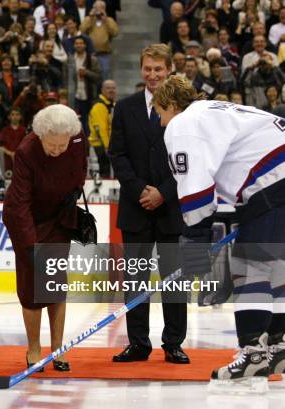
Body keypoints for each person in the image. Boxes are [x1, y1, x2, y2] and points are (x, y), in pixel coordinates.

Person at [152, 75, 285, 390]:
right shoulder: (216, 109)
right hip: (277, 181)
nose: (160, 122)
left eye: (159, 113)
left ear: (171, 105)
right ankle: (278, 347)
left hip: (275, 183)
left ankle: (253, 353)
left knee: (248, 266)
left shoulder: (183, 123)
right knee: (278, 267)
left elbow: (196, 186)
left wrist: (195, 238)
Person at [108, 44, 188, 364]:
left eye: (158, 69)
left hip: (170, 207)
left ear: (169, 69)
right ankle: (138, 343)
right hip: (135, 206)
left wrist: (164, 193)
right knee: (136, 279)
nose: (152, 75)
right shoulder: (125, 107)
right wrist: (142, 189)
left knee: (173, 279)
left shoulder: (184, 108)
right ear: (141, 70)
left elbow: (187, 159)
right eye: (147, 68)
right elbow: (117, 155)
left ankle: (173, 343)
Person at [3, 104, 86, 372]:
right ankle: (34, 349)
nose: (58, 150)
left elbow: (79, 165)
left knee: (55, 283)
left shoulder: (75, 138)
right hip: (28, 219)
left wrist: (75, 191)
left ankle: (58, 350)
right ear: (40, 136)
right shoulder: (26, 152)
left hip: (59, 217)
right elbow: (19, 206)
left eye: (62, 145)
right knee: (32, 286)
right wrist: (31, 249)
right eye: (52, 146)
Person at [88, 79, 116, 177]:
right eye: (108, 88)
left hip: (108, 145)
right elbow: (100, 130)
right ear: (102, 90)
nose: (111, 90)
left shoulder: (111, 104)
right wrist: (108, 147)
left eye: (113, 88)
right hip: (100, 146)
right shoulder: (99, 106)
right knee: (104, 174)